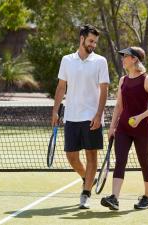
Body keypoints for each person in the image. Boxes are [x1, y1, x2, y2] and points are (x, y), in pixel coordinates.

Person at [51, 24, 110, 209]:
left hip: (92, 117)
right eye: (91, 41)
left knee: (91, 156)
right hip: (71, 117)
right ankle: (88, 178)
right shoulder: (67, 60)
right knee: (71, 156)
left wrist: (99, 115)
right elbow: (61, 87)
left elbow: (104, 90)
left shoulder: (100, 61)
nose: (93, 44)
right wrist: (55, 110)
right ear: (82, 38)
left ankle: (86, 193)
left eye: (95, 42)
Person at [100, 47, 148, 210]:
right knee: (120, 161)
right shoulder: (122, 80)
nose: (122, 59)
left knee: (144, 162)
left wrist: (140, 117)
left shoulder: (147, 80)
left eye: (125, 56)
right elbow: (119, 105)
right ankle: (114, 198)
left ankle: (147, 198)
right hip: (123, 129)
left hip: (143, 130)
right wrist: (112, 127)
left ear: (134, 59)